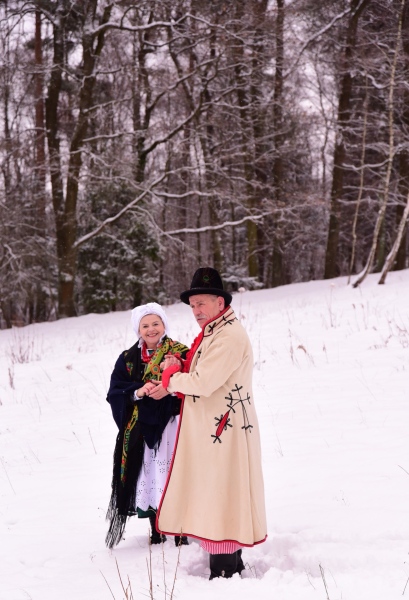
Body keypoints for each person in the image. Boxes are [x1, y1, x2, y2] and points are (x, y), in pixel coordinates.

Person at [148, 268, 267, 579]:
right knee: (220, 491)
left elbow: (203, 382)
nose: (196, 311)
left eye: (201, 303)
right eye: (192, 305)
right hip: (219, 428)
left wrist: (171, 377)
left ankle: (225, 571)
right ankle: (230, 566)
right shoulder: (217, 331)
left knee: (222, 492)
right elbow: (204, 371)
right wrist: (180, 366)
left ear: (219, 302)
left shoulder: (228, 336)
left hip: (224, 430)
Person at [105, 302, 189, 549]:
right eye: (145, 326)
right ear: (138, 330)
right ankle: (157, 528)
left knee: (176, 473)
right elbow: (115, 390)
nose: (151, 329)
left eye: (156, 323)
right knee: (152, 474)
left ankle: (181, 530)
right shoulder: (128, 359)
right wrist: (138, 391)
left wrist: (170, 386)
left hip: (173, 425)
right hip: (143, 428)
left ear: (164, 325)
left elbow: (194, 379)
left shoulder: (181, 352)